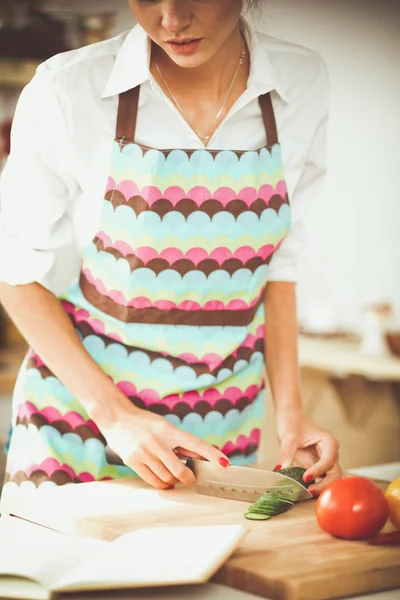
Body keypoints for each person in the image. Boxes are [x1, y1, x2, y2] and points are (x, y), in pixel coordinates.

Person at [0, 0, 342, 509]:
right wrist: (115, 416)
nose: (172, 18)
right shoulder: (68, 87)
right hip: (83, 415)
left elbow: (279, 264)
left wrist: (290, 413)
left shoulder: (302, 79)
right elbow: (12, 268)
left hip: (220, 420)